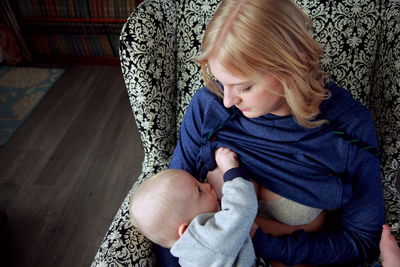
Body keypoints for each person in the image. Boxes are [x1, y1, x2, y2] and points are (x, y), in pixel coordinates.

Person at [159, 0, 385, 266]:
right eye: (222, 82)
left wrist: (263, 243)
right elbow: (168, 217)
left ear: (292, 62)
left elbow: (361, 242)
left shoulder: (348, 129)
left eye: (243, 87)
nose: (228, 100)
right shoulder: (209, 106)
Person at [130, 147, 259, 267]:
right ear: (185, 229)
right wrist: (231, 170)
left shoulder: (190, 254)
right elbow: (242, 209)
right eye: (199, 190)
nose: (207, 186)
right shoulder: (209, 241)